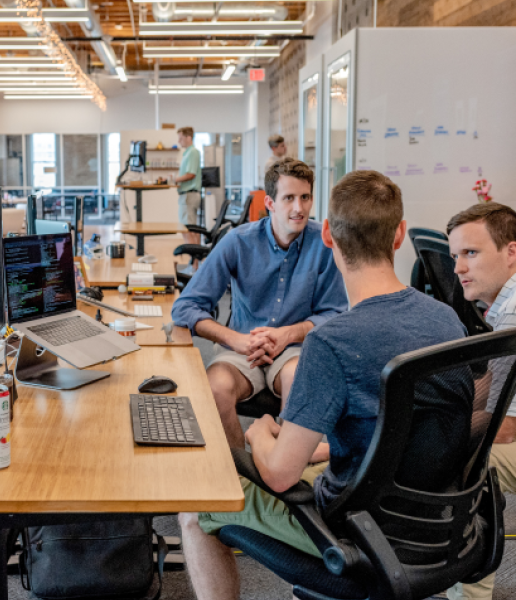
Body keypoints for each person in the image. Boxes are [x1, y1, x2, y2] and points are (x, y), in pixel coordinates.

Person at [178, 169, 472, 600]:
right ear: (399, 236)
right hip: (439, 523)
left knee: (193, 508)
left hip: (354, 533)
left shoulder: (330, 344)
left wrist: (260, 434)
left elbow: (279, 476)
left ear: (329, 234)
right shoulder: (446, 318)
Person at [172, 158, 347, 448]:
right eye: (289, 198)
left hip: (294, 349)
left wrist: (288, 334)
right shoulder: (237, 242)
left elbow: (336, 313)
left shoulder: (325, 244)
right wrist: (235, 340)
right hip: (241, 348)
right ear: (270, 202)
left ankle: (283, 472)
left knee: (300, 384)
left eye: (305, 198)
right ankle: (242, 475)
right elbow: (185, 307)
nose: (299, 208)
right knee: (215, 389)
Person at [446, 202, 516, 600]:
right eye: (456, 255)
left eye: (470, 253)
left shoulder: (513, 313)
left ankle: (469, 595)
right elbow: (490, 389)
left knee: (471, 465)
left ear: (511, 252)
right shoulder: (504, 305)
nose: (457, 268)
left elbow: (503, 427)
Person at [175, 127, 202, 246]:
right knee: (189, 229)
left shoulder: (193, 152)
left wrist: (174, 179)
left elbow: (191, 174)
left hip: (189, 195)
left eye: (181, 138)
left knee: (189, 230)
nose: (179, 141)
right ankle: (195, 261)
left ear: (188, 137)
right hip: (186, 195)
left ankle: (195, 263)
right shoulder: (187, 153)